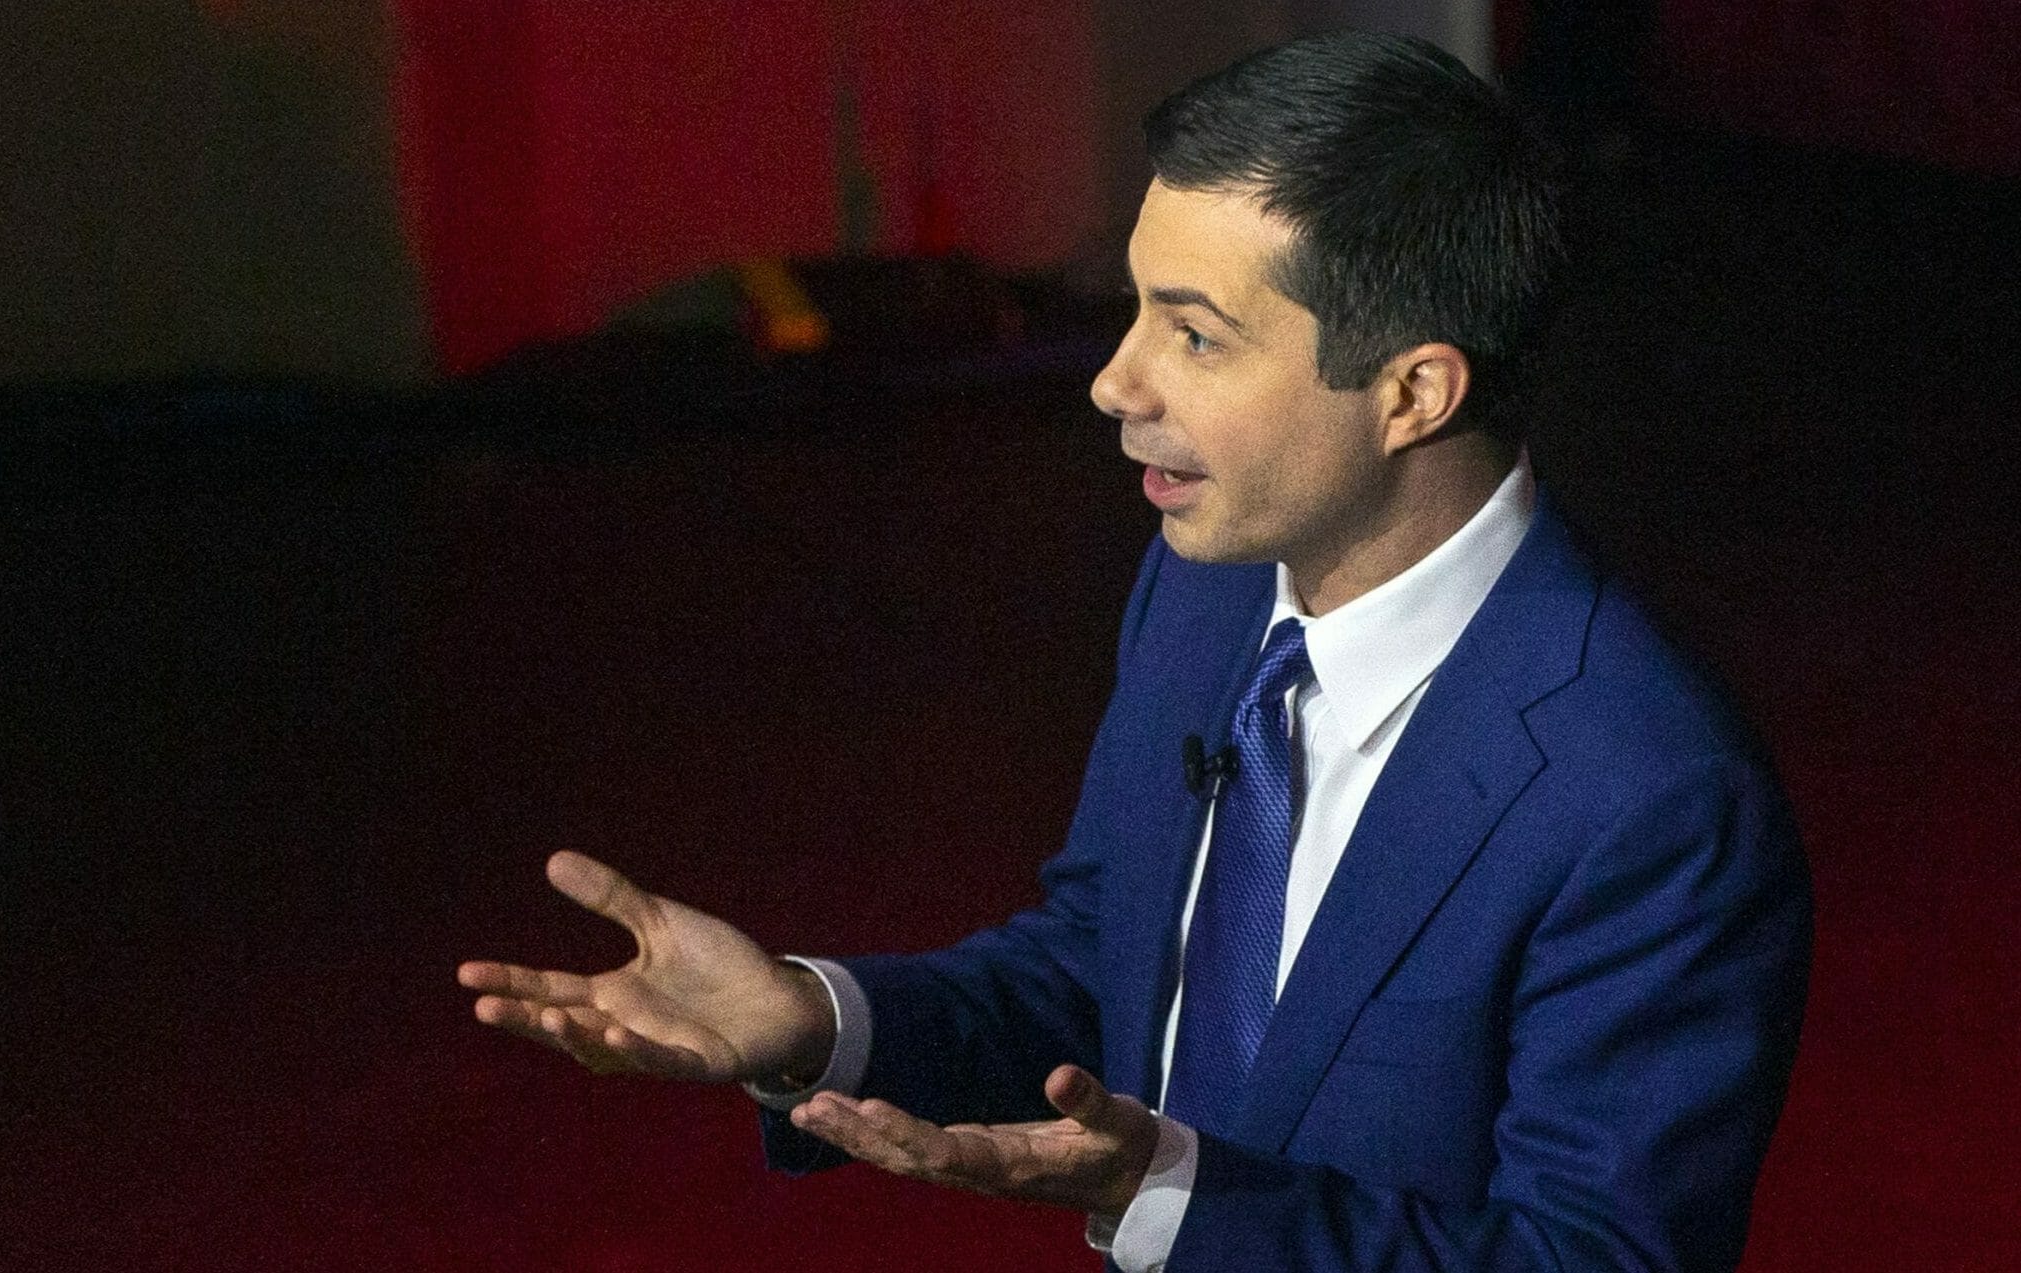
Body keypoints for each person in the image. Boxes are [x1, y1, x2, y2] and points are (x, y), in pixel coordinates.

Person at [458, 31, 1809, 1272]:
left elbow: (1593, 1260)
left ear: (1411, 391)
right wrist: (818, 1020)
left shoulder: (1647, 794)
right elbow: (1105, 962)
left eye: (1194, 334)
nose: (1114, 381)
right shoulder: (1202, 595)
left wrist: (1170, 1194)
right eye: (1134, 308)